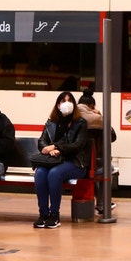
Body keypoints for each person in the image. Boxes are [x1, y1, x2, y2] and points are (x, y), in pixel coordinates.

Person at [33, 91, 92, 229]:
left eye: (69, 100)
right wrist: (48, 149)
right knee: (40, 173)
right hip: (53, 160)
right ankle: (43, 215)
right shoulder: (51, 122)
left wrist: (57, 147)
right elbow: (42, 141)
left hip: (75, 162)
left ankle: (54, 215)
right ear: (58, 105)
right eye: (63, 101)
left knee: (54, 173)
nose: (66, 103)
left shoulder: (80, 123)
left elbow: (78, 145)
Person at [76, 88, 117, 214]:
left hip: (74, 161)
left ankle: (101, 203)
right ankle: (102, 203)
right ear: (92, 106)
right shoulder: (98, 118)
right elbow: (113, 136)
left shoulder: (72, 116)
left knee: (95, 170)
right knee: (106, 168)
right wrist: (99, 115)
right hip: (90, 164)